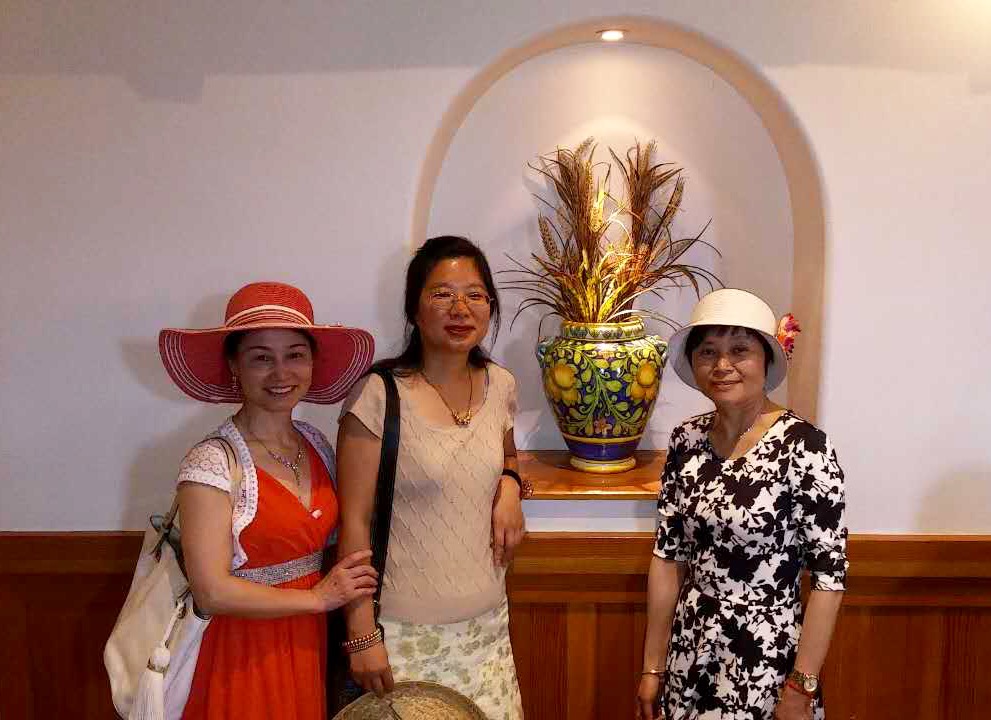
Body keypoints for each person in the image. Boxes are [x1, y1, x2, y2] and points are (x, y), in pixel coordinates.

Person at [157, 281, 379, 720]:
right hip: (238, 652)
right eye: (261, 358)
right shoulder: (211, 460)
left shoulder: (316, 444)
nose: (281, 373)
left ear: (312, 362)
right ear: (234, 366)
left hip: (307, 643)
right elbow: (211, 591)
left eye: (295, 355)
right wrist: (317, 599)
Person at [335, 236, 530, 720]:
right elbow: (354, 522)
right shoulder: (378, 396)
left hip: (488, 633)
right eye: (442, 293)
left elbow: (507, 454)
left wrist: (509, 485)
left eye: (475, 294)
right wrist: (361, 633)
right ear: (414, 309)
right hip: (403, 638)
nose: (460, 308)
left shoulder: (501, 384)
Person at [636, 289, 848, 720]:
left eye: (739, 350)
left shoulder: (805, 446)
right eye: (708, 351)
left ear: (766, 360)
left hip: (767, 658)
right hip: (690, 648)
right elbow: (668, 555)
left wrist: (800, 688)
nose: (722, 365)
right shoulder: (685, 439)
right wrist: (652, 667)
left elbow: (829, 578)